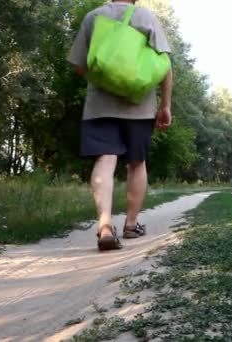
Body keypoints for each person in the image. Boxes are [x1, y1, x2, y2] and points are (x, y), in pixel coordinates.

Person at [67, 0, 173, 251]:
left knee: (105, 159)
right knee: (137, 162)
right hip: (140, 106)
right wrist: (165, 105)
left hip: (100, 105)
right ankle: (131, 224)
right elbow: (165, 67)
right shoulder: (147, 18)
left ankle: (105, 225)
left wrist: (107, 79)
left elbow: (79, 66)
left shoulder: (94, 17)